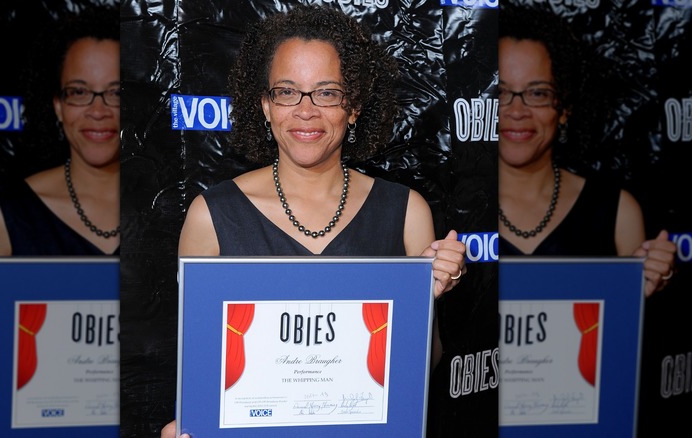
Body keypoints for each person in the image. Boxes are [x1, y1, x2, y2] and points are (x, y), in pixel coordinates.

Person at [163, 5, 467, 437]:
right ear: (265, 105)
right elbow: (201, 368)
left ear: (355, 106)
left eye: (327, 93)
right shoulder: (212, 216)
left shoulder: (406, 211)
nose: (305, 111)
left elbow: (422, 367)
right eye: (287, 92)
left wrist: (427, 298)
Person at [0, 4, 119, 437]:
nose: (98, 110)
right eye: (80, 92)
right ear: (58, 105)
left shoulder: (169, 215)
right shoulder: (4, 217)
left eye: (116, 92)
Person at [497, 3, 676, 297]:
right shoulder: (458, 212)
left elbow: (624, 338)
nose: (517, 110)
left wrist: (644, 287)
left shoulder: (618, 211)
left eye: (538, 93)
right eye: (501, 93)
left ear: (565, 107)